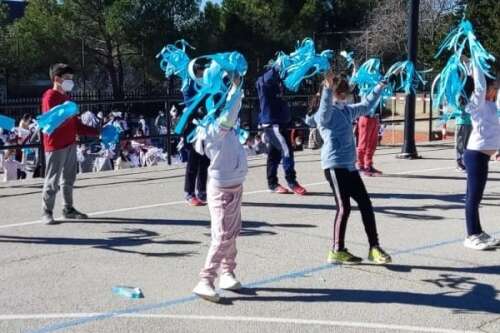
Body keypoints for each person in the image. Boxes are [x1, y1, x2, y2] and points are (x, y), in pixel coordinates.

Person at [306, 70, 392, 265]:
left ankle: (374, 247)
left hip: (349, 166)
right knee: (344, 207)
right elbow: (325, 109)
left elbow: (366, 105)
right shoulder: (324, 114)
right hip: (334, 165)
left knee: (366, 204)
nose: (345, 96)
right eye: (341, 93)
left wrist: (379, 87)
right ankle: (337, 250)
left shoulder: (346, 110)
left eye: (346, 93)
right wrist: (328, 89)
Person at [192, 75, 247, 302]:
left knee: (232, 233)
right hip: (222, 190)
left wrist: (236, 90)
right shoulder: (215, 129)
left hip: (234, 187)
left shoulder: (226, 128)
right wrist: (236, 88)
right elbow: (231, 111)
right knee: (222, 235)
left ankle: (227, 272)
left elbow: (234, 109)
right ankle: (205, 280)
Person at [41, 63, 100, 225]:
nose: (71, 82)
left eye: (71, 79)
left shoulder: (67, 98)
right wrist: (66, 112)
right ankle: (47, 211)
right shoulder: (49, 96)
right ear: (57, 78)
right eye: (67, 78)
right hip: (55, 144)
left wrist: (98, 131)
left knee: (68, 178)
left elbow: (76, 125)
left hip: (70, 143)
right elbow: (52, 120)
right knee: (52, 179)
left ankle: (68, 208)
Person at [461, 60, 500, 250]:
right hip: (474, 155)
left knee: (475, 197)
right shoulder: (477, 104)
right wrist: (475, 61)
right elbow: (480, 85)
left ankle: (478, 231)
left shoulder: (492, 106)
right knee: (473, 198)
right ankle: (471, 235)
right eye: (494, 87)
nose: (496, 91)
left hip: (482, 157)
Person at [256, 66, 306, 195]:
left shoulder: (279, 84)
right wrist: (279, 65)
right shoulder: (263, 82)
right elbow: (269, 75)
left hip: (281, 123)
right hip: (272, 124)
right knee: (286, 150)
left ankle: (272, 183)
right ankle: (292, 182)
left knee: (274, 154)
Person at [181, 62, 210, 206]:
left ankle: (202, 190)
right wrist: (200, 109)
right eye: (199, 71)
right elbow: (189, 103)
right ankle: (189, 193)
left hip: (207, 125)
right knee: (193, 160)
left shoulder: (207, 83)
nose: (201, 74)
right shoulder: (188, 85)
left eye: (202, 71)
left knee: (205, 160)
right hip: (194, 126)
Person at [357, 105, 383, 176]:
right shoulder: (367, 93)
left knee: (372, 144)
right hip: (366, 117)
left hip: (375, 117)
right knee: (363, 144)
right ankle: (360, 166)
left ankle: (368, 165)